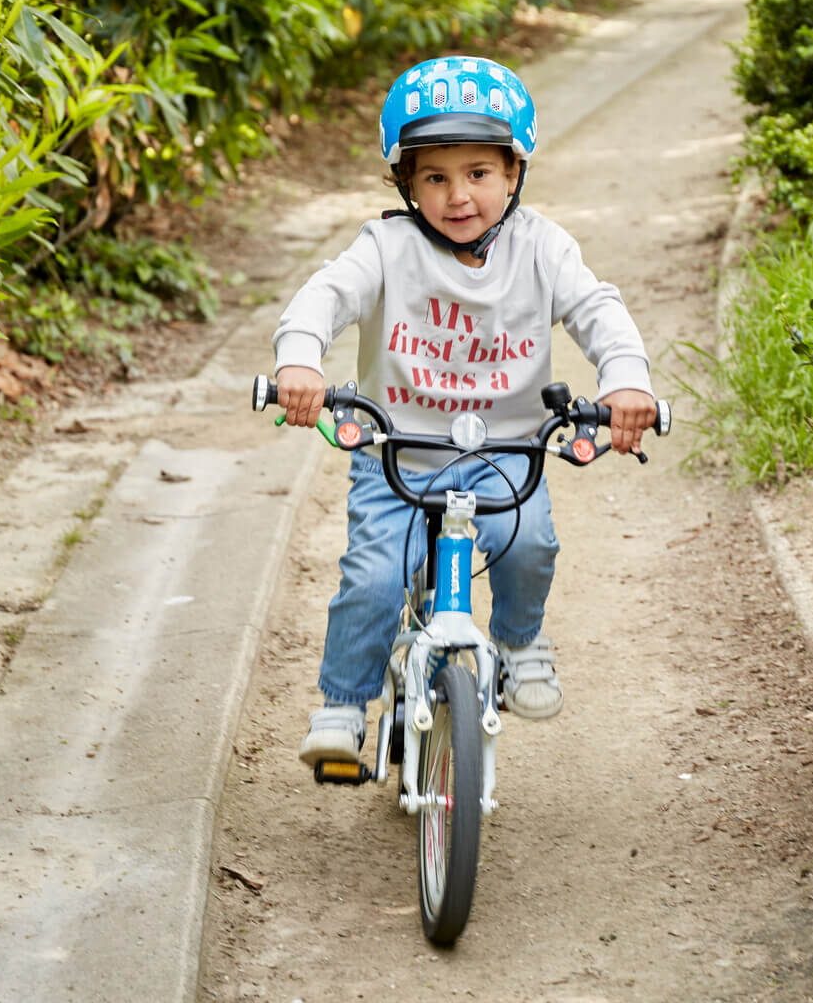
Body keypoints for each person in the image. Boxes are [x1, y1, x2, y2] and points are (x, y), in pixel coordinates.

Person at [272, 55, 656, 767]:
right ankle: (343, 706)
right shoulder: (385, 247)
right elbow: (325, 296)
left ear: (513, 174)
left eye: (478, 173)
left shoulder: (541, 246)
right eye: (435, 177)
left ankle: (516, 643)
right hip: (400, 456)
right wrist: (299, 360)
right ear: (407, 183)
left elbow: (596, 308)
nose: (458, 196)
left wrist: (626, 379)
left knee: (530, 546)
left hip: (508, 457)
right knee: (375, 577)